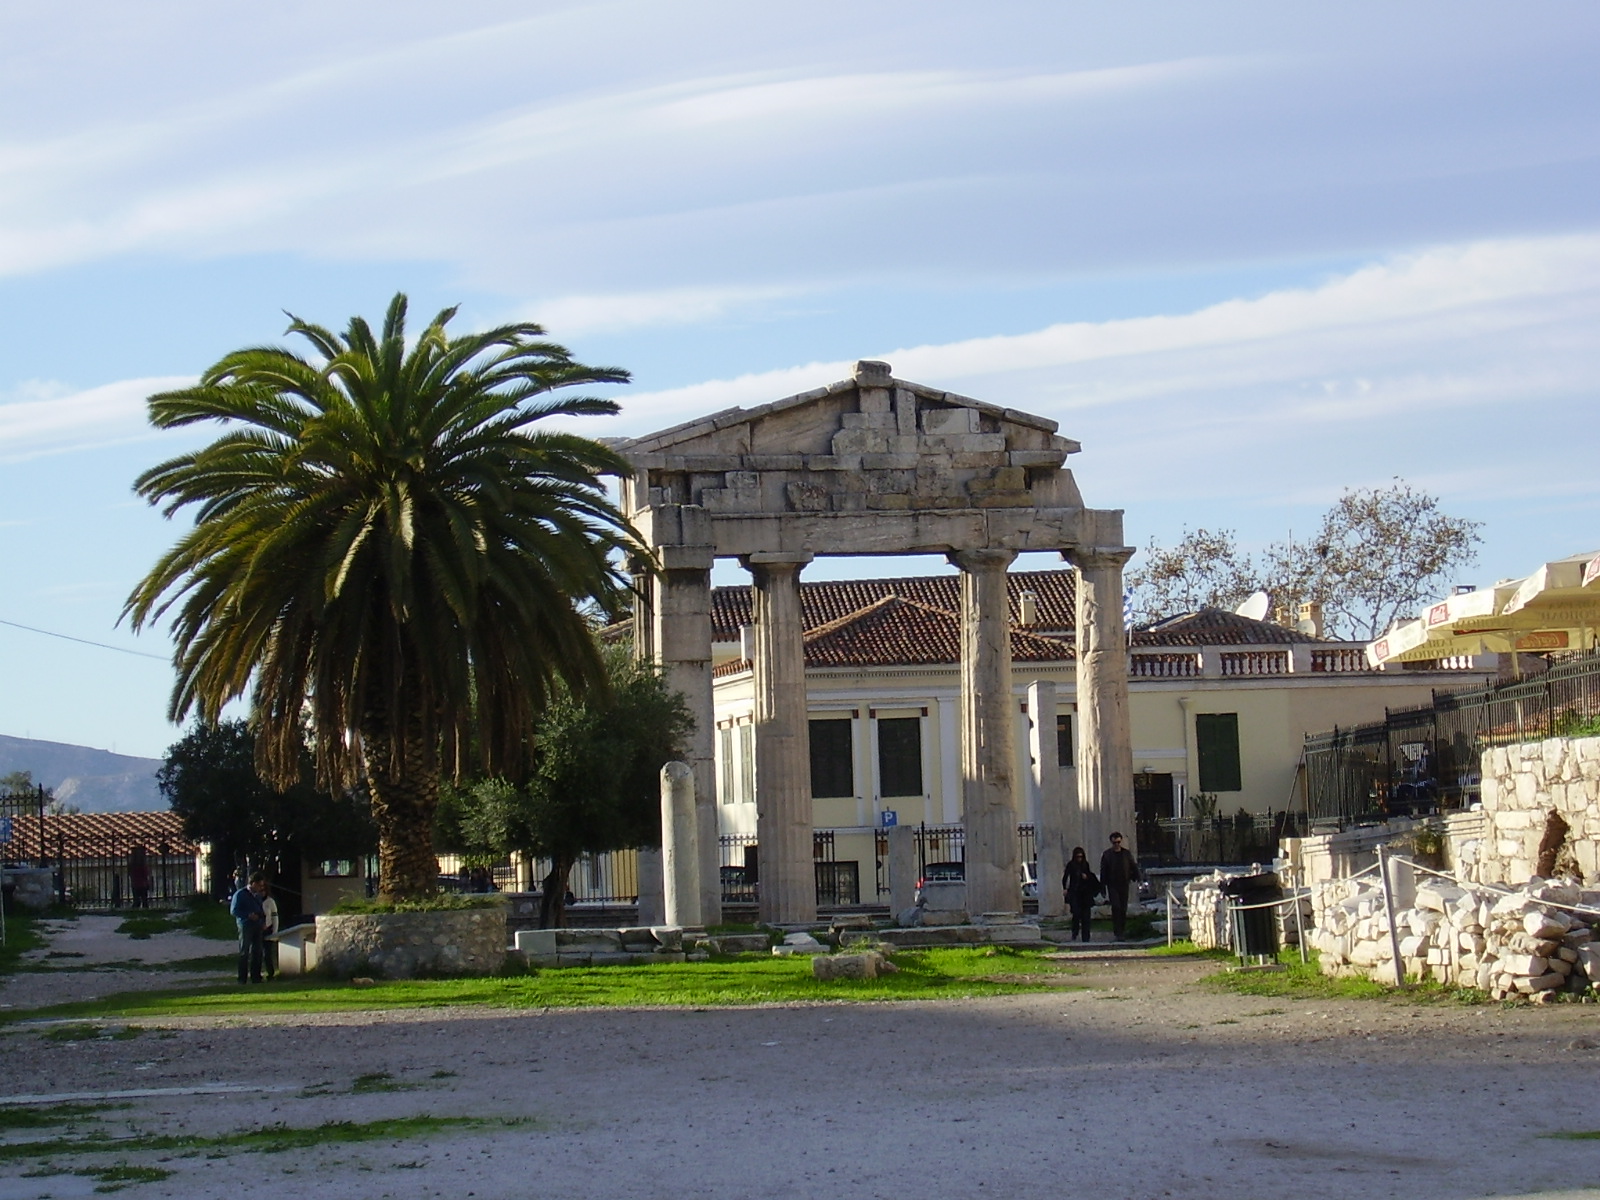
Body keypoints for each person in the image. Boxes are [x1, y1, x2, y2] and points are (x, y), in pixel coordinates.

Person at [1099, 832, 1141, 941]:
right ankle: (1117, 931)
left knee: (1123, 908)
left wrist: (1138, 878)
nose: (1117, 844)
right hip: (1112, 884)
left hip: (1124, 883)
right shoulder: (1107, 855)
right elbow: (1103, 871)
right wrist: (1102, 887)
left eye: (1118, 842)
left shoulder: (1126, 854)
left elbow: (1133, 866)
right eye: (1114, 843)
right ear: (1111, 842)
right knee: (1116, 907)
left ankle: (1122, 931)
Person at [230, 872, 268, 984]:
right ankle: (242, 978)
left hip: (257, 925)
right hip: (245, 925)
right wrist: (248, 915)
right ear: (253, 883)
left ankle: (256, 976)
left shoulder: (258, 896)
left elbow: (261, 910)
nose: (261, 888)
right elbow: (234, 910)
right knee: (244, 951)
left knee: (258, 951)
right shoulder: (240, 894)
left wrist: (263, 921)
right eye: (259, 885)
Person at [1062, 846, 1100, 943]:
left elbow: (1090, 877)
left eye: (1081, 857)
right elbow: (1066, 877)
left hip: (1085, 893)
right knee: (1076, 914)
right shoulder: (1071, 865)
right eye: (1078, 857)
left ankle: (1086, 937)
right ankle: (1075, 933)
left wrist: (1086, 877)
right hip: (1075, 892)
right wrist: (1065, 888)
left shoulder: (1085, 864)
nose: (1079, 859)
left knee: (1086, 916)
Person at [259, 881, 280, 981]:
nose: (262, 892)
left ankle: (270, 973)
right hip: (257, 930)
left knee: (267, 954)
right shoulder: (255, 901)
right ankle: (257, 974)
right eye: (260, 890)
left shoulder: (270, 901)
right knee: (257, 953)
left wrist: (274, 931)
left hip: (268, 929)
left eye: (263, 890)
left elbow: (275, 916)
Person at [128, 845, 152, 909]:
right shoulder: (141, 863)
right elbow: (145, 873)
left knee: (138, 900)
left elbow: (131, 873)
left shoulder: (133, 863)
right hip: (141, 883)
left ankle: (136, 910)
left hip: (137, 882)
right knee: (143, 900)